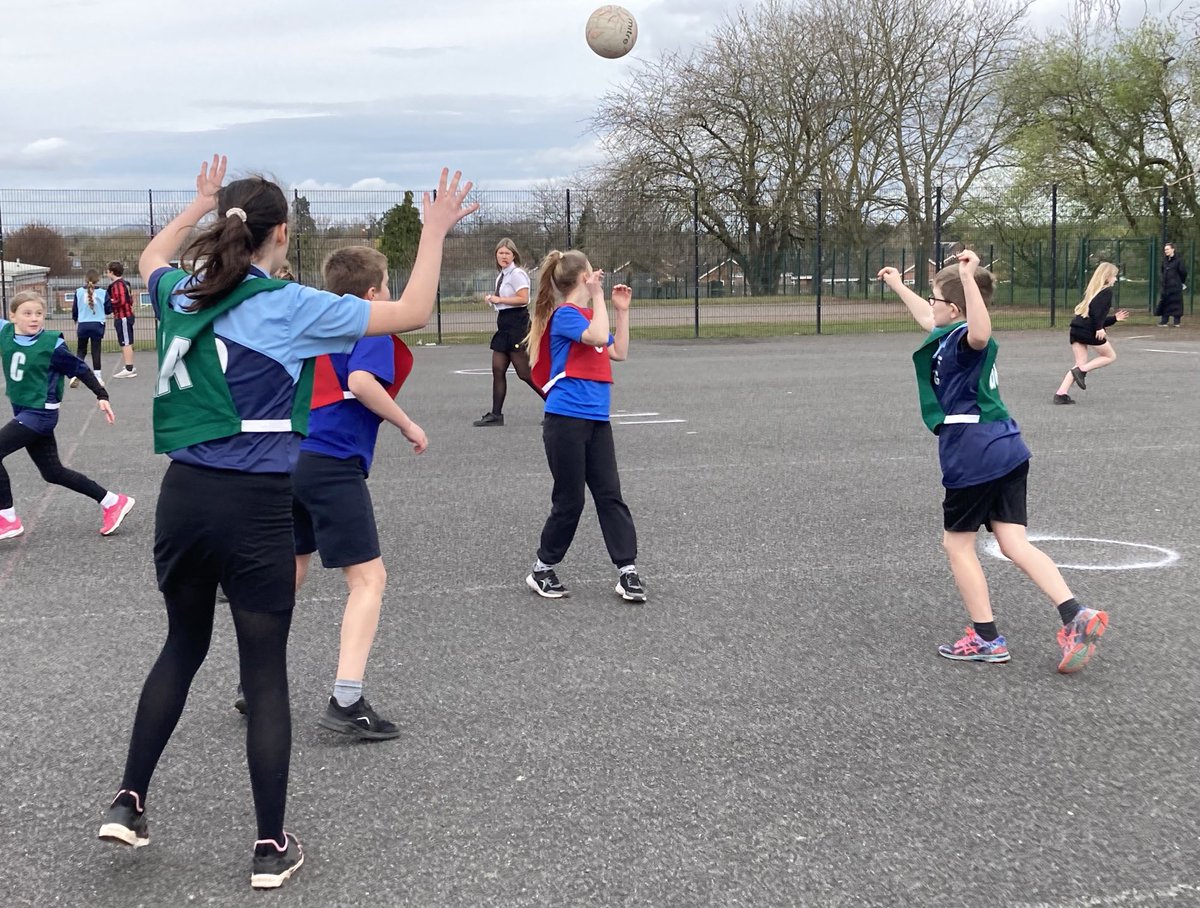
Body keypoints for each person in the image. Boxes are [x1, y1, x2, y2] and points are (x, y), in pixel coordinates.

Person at [97, 155, 475, 890]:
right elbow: (412, 314)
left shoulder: (180, 292)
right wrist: (433, 233)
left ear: (224, 228)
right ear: (282, 233)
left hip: (183, 495)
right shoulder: (287, 304)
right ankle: (270, 845)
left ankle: (129, 799)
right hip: (255, 499)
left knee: (182, 643)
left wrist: (195, 206)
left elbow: (150, 257)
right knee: (263, 670)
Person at [877, 250, 1108, 673]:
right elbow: (931, 321)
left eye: (934, 299)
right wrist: (896, 285)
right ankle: (1075, 614)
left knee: (957, 544)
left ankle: (986, 638)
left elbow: (980, 332)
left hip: (973, 449)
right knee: (1013, 542)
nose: (930, 306)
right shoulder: (948, 333)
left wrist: (965, 278)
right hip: (1006, 445)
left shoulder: (968, 340)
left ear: (955, 307)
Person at [294, 245, 426, 740]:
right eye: (388, 285)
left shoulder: (314, 325)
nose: (390, 295)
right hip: (330, 460)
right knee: (368, 580)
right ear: (372, 294)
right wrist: (407, 423)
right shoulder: (368, 324)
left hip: (291, 455)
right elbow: (362, 379)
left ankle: (255, 675)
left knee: (294, 564)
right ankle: (347, 700)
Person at [524, 250, 645, 603]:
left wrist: (621, 311)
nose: (599, 277)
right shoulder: (565, 316)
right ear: (583, 277)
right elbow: (594, 337)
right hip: (565, 422)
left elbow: (618, 351)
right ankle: (542, 568)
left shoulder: (594, 317)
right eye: (593, 273)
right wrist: (596, 297)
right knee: (570, 500)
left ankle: (628, 571)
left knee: (610, 495)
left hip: (596, 421)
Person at [0, 291, 135, 541]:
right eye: (27, 313)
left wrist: (101, 395)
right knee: (53, 472)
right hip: (24, 412)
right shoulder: (5, 333)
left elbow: (80, 369)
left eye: (39, 314)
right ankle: (113, 501)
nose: (34, 319)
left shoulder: (51, 345)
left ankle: (7, 518)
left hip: (40, 414)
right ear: (12, 316)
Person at [473, 238, 543, 426]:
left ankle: (558, 409)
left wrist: (498, 299)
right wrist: (496, 300)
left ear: (514, 255)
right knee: (498, 369)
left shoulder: (517, 274)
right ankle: (496, 414)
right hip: (504, 325)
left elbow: (523, 299)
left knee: (524, 373)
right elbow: (504, 300)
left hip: (516, 324)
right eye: (500, 253)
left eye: (507, 253)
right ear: (496, 255)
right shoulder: (502, 275)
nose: (503, 256)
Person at [1054, 262, 1129, 404]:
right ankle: (1082, 371)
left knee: (1079, 362)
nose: (1115, 279)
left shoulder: (1094, 292)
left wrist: (1114, 319)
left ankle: (1061, 394)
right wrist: (1099, 328)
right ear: (1107, 277)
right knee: (1110, 356)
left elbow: (1093, 316)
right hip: (1088, 331)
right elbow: (1095, 313)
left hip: (1077, 329)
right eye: (1114, 276)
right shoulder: (1106, 292)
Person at [69, 269, 109, 388]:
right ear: (98, 279)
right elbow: (108, 309)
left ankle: (76, 372)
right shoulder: (103, 292)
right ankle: (98, 376)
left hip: (83, 324)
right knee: (96, 350)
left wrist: (76, 319)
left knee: (81, 350)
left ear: (85, 279)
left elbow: (75, 309)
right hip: (97, 324)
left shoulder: (78, 292)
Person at [106, 261, 138, 378]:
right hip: (124, 315)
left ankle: (129, 368)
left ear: (112, 272)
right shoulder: (125, 283)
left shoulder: (117, 285)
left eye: (108, 271)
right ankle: (128, 366)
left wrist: (110, 303)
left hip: (123, 316)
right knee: (125, 340)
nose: (106, 274)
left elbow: (122, 300)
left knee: (126, 341)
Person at [1156, 243, 1188, 327]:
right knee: (1165, 302)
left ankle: (1176, 322)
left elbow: (1183, 272)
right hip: (1166, 287)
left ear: (1173, 249)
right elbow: (1163, 271)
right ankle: (1164, 321)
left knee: (1176, 303)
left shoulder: (1178, 260)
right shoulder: (1164, 261)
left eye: (1167, 249)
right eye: (1165, 250)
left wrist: (1180, 282)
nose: (1166, 251)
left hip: (1175, 287)